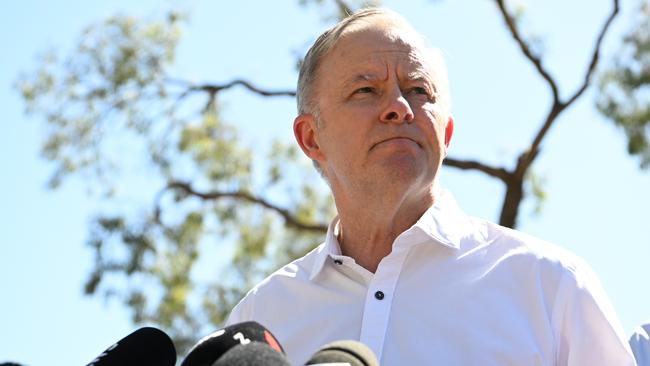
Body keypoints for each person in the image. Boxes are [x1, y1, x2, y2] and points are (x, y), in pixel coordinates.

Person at [226, 8, 636, 365]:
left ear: (447, 132)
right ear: (311, 138)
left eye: (418, 90)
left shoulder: (552, 287)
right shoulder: (260, 322)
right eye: (366, 89)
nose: (399, 108)